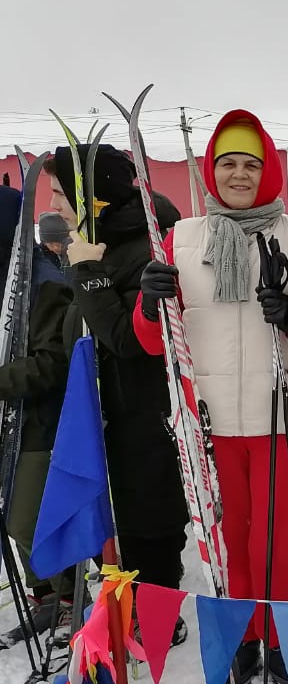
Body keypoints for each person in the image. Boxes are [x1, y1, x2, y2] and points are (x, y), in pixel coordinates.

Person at [134, 110, 288, 684]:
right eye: (228, 164)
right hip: (211, 420)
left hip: (285, 415)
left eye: (251, 164)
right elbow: (154, 341)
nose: (239, 174)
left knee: (283, 542)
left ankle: (285, 645)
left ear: (269, 171)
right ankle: (240, 641)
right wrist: (149, 302)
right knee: (227, 540)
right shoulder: (181, 238)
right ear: (210, 171)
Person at [46, 146, 189, 597]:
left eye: (59, 193)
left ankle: (156, 617)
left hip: (145, 420)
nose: (52, 205)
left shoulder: (147, 246)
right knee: (109, 531)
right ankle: (122, 612)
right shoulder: (94, 243)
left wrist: (88, 271)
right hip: (102, 418)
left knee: (148, 532)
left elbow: (128, 341)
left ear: (91, 197)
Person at [0, 185, 76, 636]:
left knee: (26, 520)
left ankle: (70, 598)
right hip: (9, 422)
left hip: (40, 423)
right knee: (13, 520)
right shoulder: (7, 278)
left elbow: (53, 364)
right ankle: (46, 597)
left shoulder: (43, 282)